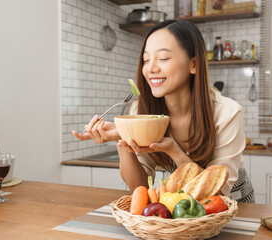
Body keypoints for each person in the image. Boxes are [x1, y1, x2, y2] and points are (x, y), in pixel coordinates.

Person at [72, 20, 255, 203]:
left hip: (233, 204)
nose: (150, 68)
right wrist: (124, 139)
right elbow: (139, 188)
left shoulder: (227, 113)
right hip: (182, 207)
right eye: (146, 60)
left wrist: (174, 152)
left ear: (193, 64)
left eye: (163, 58)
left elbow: (218, 195)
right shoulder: (140, 111)